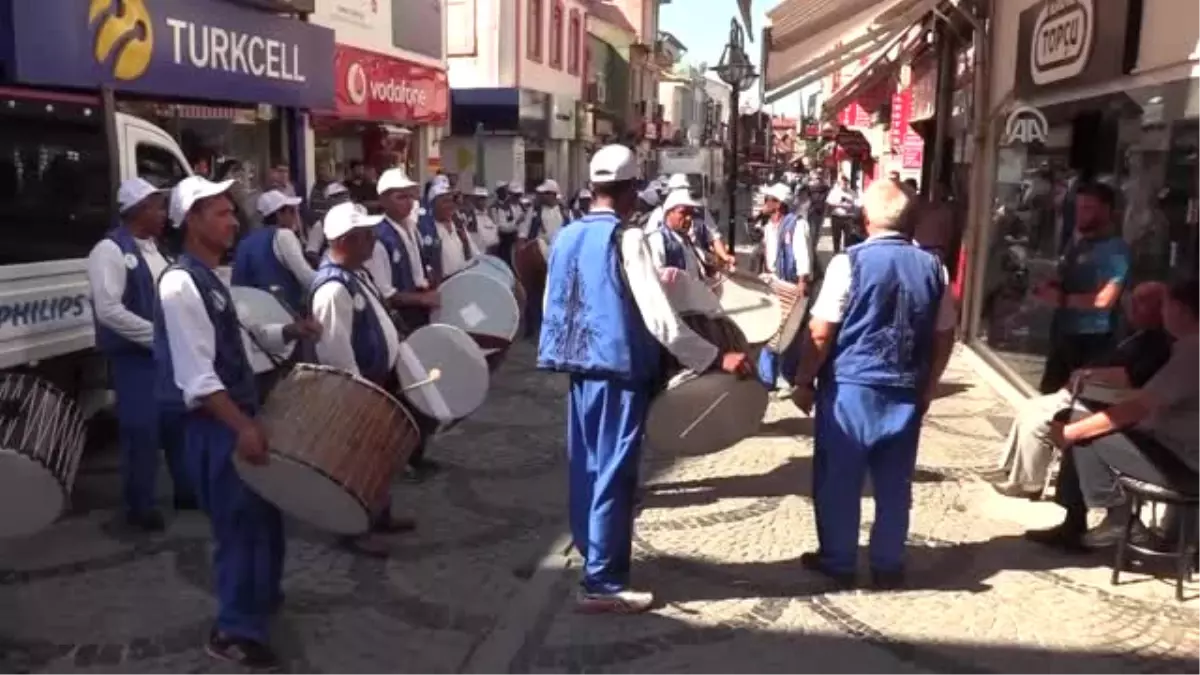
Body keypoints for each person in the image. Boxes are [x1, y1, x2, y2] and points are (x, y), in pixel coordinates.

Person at [538, 144, 751, 614]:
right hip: (618, 369)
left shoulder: (567, 235)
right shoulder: (627, 238)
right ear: (632, 191)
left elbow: (554, 305)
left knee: (587, 467)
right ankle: (603, 583)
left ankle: (592, 551)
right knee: (615, 474)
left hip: (580, 369)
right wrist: (716, 358)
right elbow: (661, 322)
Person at [155, 175, 320, 668]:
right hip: (216, 427)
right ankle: (232, 629)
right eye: (221, 213)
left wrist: (290, 328)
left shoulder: (211, 278)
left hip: (236, 417)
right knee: (239, 527)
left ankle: (259, 601)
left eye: (232, 211)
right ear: (192, 222)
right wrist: (242, 426)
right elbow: (197, 377)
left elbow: (244, 339)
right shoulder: (181, 283)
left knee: (264, 520)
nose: (233, 221)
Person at [790, 179, 957, 589]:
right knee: (895, 482)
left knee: (840, 480)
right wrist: (930, 385)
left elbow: (820, 331)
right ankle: (887, 563)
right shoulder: (936, 267)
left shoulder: (849, 263)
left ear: (865, 220)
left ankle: (839, 559)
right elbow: (944, 334)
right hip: (905, 386)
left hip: (852, 387)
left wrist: (804, 380)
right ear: (910, 220)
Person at [1028, 277, 1200, 551]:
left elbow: (1139, 407)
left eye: (1165, 305)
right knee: (1086, 424)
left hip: (1182, 462)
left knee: (1085, 433)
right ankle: (1081, 521)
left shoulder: (1193, 351)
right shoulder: (1185, 347)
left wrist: (1071, 433)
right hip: (1170, 447)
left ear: (1181, 310)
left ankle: (1119, 519)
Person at [991, 282, 1173, 499]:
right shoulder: (1133, 333)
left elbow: (1130, 379)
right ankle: (1011, 470)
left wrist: (1087, 378)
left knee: (1039, 424)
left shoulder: (1160, 343)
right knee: (1029, 407)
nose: (1133, 307)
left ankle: (1029, 483)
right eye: (1133, 300)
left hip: (1104, 401)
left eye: (1142, 303)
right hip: (1089, 392)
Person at [309, 201, 419, 557]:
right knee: (355, 461)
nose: (373, 242)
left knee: (379, 456)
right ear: (346, 240)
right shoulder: (333, 289)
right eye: (366, 236)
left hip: (377, 381)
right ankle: (354, 527)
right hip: (357, 389)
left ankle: (380, 513)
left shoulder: (357, 275)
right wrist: (359, 399)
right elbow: (335, 352)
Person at [87, 178, 195, 530]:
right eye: (157, 207)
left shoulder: (157, 249)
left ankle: (186, 489)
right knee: (142, 430)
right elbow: (108, 310)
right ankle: (139, 505)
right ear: (138, 210)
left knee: (177, 423)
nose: (164, 214)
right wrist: (157, 336)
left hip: (165, 355)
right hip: (135, 358)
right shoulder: (110, 250)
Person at [363, 168, 442, 481]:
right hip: (401, 322)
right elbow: (386, 294)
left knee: (423, 387)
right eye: (400, 196)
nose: (408, 202)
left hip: (419, 316)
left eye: (410, 195)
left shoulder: (410, 228)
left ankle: (417, 451)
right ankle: (403, 457)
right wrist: (420, 299)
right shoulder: (380, 238)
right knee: (405, 391)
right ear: (383, 199)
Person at [1033, 182, 1131, 394]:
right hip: (1063, 333)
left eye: (1088, 208)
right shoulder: (1078, 242)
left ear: (1106, 211)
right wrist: (1049, 283)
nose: (1080, 214)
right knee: (1049, 397)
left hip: (1093, 340)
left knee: (1079, 402)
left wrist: (1062, 300)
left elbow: (1105, 300)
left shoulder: (1115, 250)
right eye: (1078, 208)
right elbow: (1065, 275)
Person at [755, 182, 812, 392]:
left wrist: (802, 282)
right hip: (773, 282)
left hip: (791, 285)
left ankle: (788, 376)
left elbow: (802, 254)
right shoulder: (769, 226)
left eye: (767, 199)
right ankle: (766, 379)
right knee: (769, 332)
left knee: (789, 334)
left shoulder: (796, 225)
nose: (764, 203)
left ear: (778, 204)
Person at [230, 190, 316, 312]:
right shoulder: (284, 235)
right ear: (279, 215)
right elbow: (306, 277)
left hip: (250, 314)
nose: (295, 217)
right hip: (281, 313)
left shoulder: (245, 241)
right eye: (291, 211)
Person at [646, 190, 708, 281]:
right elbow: (657, 278)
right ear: (669, 213)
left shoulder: (685, 239)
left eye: (691, 213)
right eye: (683, 212)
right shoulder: (659, 239)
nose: (689, 218)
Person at [425, 179, 480, 278]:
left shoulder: (458, 225)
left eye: (451, 201)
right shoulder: (428, 229)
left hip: (463, 278)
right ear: (433, 204)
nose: (450, 205)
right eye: (445, 201)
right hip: (442, 285)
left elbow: (475, 254)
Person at [305, 181, 352, 264]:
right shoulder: (321, 226)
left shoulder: (353, 222)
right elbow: (311, 254)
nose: (343, 200)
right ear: (329, 202)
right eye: (338, 198)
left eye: (345, 196)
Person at [826, 175, 859, 253]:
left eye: (845, 183)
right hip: (837, 217)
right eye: (842, 183)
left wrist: (851, 205)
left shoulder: (852, 192)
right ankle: (836, 253)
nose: (844, 185)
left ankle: (846, 253)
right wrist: (840, 205)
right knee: (836, 237)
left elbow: (857, 203)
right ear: (839, 183)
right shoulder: (834, 192)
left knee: (848, 237)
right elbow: (829, 203)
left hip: (848, 217)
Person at [464, 186, 499, 253]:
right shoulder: (471, 216)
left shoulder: (489, 213)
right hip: (481, 253)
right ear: (474, 200)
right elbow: (472, 238)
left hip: (494, 251)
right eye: (480, 199)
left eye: (484, 199)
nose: (483, 201)